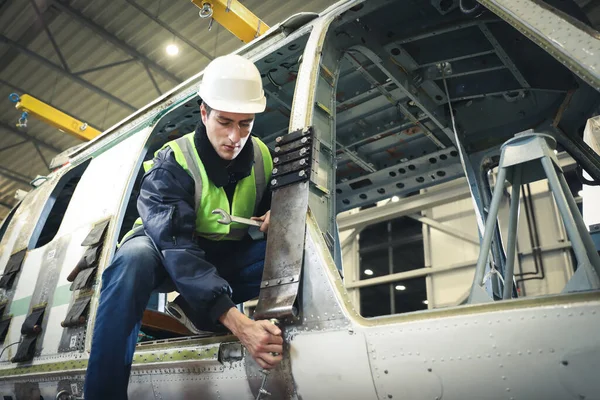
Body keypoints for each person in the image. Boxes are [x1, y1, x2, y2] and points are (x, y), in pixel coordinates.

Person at [84, 54, 283, 399]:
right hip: (163, 254)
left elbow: (279, 214)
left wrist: (278, 216)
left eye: (245, 123)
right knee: (132, 262)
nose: (235, 137)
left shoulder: (263, 158)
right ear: (204, 113)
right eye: (225, 122)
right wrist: (239, 323)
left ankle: (195, 309)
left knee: (292, 239)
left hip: (221, 257)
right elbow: (178, 250)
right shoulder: (171, 161)